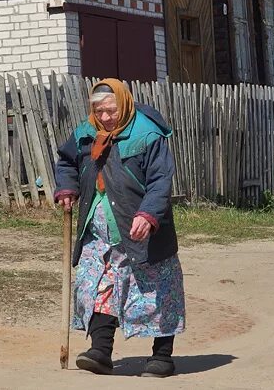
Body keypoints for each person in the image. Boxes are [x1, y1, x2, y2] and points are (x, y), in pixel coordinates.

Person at [54, 78, 185, 378]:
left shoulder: (147, 134)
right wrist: (67, 188)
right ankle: (100, 351)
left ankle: (162, 356)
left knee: (157, 289)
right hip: (98, 231)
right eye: (99, 111)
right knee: (99, 284)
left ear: (124, 104)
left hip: (141, 227)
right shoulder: (86, 133)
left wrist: (149, 214)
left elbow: (160, 180)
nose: (104, 117)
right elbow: (66, 163)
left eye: (111, 111)